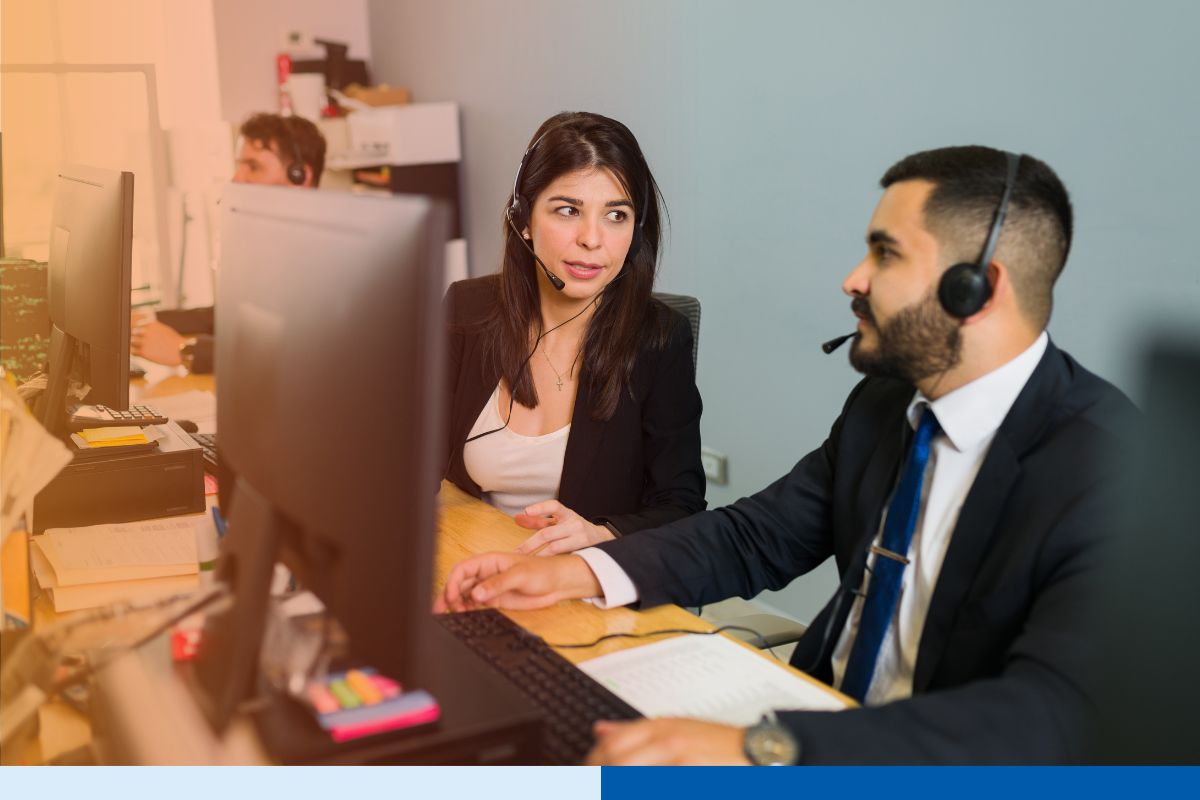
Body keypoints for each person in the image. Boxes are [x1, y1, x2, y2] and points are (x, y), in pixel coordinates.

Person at [437, 146, 1137, 764]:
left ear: (977, 290)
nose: (853, 279)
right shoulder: (887, 407)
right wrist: (577, 573)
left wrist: (767, 749)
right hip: (812, 717)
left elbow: (1047, 720)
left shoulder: (1114, 474)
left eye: (885, 254)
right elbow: (752, 537)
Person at [443, 111, 705, 554]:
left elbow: (680, 507)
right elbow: (406, 460)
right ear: (522, 219)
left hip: (584, 583)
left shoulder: (659, 340)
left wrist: (600, 534)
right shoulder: (467, 310)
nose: (592, 239)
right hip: (470, 560)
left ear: (636, 232)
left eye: (616, 215)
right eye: (568, 210)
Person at [131, 112, 326, 373]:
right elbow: (232, 316)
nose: (237, 178)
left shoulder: (323, 255)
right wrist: (145, 322)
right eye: (239, 165)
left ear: (300, 177)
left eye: (253, 167)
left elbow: (295, 351)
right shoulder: (274, 244)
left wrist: (185, 350)